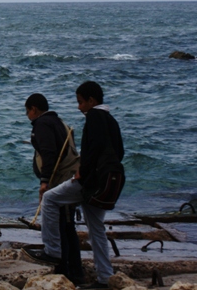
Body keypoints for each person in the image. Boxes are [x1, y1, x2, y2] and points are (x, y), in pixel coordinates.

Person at [23, 82, 125, 289]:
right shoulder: (110, 120)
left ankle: (52, 250)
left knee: (50, 199)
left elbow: (93, 148)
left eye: (81, 102)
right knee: (96, 229)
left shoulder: (94, 116)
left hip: (90, 181)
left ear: (92, 101)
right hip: (108, 179)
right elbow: (119, 151)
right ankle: (105, 277)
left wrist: (83, 172)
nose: (79, 107)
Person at [25, 93, 83, 284]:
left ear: (33, 109)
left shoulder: (42, 125)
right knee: (66, 225)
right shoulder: (58, 121)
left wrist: (44, 181)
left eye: (27, 111)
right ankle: (72, 271)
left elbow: (49, 153)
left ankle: (67, 271)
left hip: (61, 180)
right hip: (69, 178)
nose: (27, 116)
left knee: (64, 225)